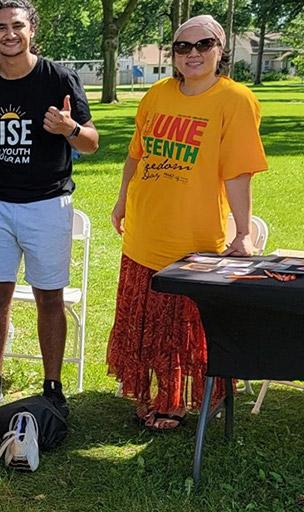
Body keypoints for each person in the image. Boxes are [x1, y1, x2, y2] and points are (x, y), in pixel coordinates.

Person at [107, 15, 267, 430]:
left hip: (192, 239)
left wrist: (244, 232)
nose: (193, 54)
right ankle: (153, 395)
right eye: (183, 47)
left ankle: (177, 401)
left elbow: (238, 173)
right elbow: (137, 156)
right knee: (146, 322)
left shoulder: (234, 100)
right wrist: (123, 199)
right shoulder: (157, 95)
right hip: (143, 231)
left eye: (204, 45)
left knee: (182, 327)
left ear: (220, 50)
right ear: (173, 53)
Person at [0, 0, 99, 416]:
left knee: (48, 298)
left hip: (47, 204)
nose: (9, 34)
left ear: (32, 30)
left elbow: (91, 142)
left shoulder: (59, 78)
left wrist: (69, 128)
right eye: (0, 27)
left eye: (17, 25)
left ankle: (52, 387)